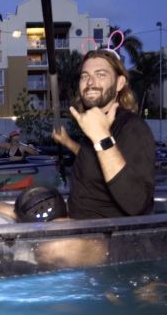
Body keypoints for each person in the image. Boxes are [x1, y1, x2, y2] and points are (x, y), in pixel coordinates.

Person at [50, 49, 155, 219]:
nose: (90, 82)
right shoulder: (95, 124)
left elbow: (138, 204)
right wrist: (67, 141)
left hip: (107, 235)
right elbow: (91, 158)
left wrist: (102, 137)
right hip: (77, 220)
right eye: (85, 76)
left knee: (52, 246)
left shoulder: (133, 127)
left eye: (101, 74)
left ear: (120, 83)